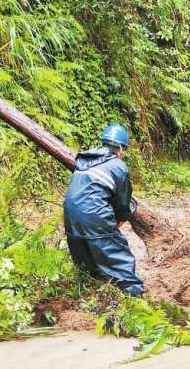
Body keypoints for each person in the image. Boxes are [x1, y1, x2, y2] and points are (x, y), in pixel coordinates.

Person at [63, 123, 144, 296]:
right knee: (114, 248)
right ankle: (133, 293)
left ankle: (88, 286)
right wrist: (119, 219)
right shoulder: (117, 165)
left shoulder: (85, 159)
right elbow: (123, 201)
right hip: (94, 213)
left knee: (84, 257)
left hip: (69, 213)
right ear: (121, 148)